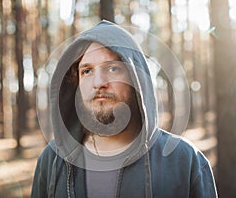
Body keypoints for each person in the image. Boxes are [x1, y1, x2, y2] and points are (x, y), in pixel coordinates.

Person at [31, 20, 217, 198]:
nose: (98, 83)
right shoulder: (52, 160)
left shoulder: (184, 160)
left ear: (136, 79)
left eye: (112, 69)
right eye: (87, 71)